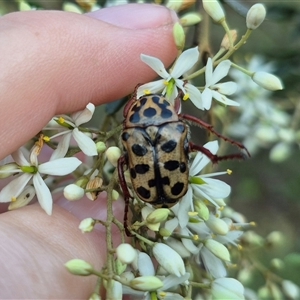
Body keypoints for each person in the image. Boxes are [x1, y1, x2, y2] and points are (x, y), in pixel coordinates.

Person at [0, 4, 178, 298]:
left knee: (125, 163)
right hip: (156, 188)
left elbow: (124, 163)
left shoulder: (130, 135)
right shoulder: (171, 128)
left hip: (146, 190)